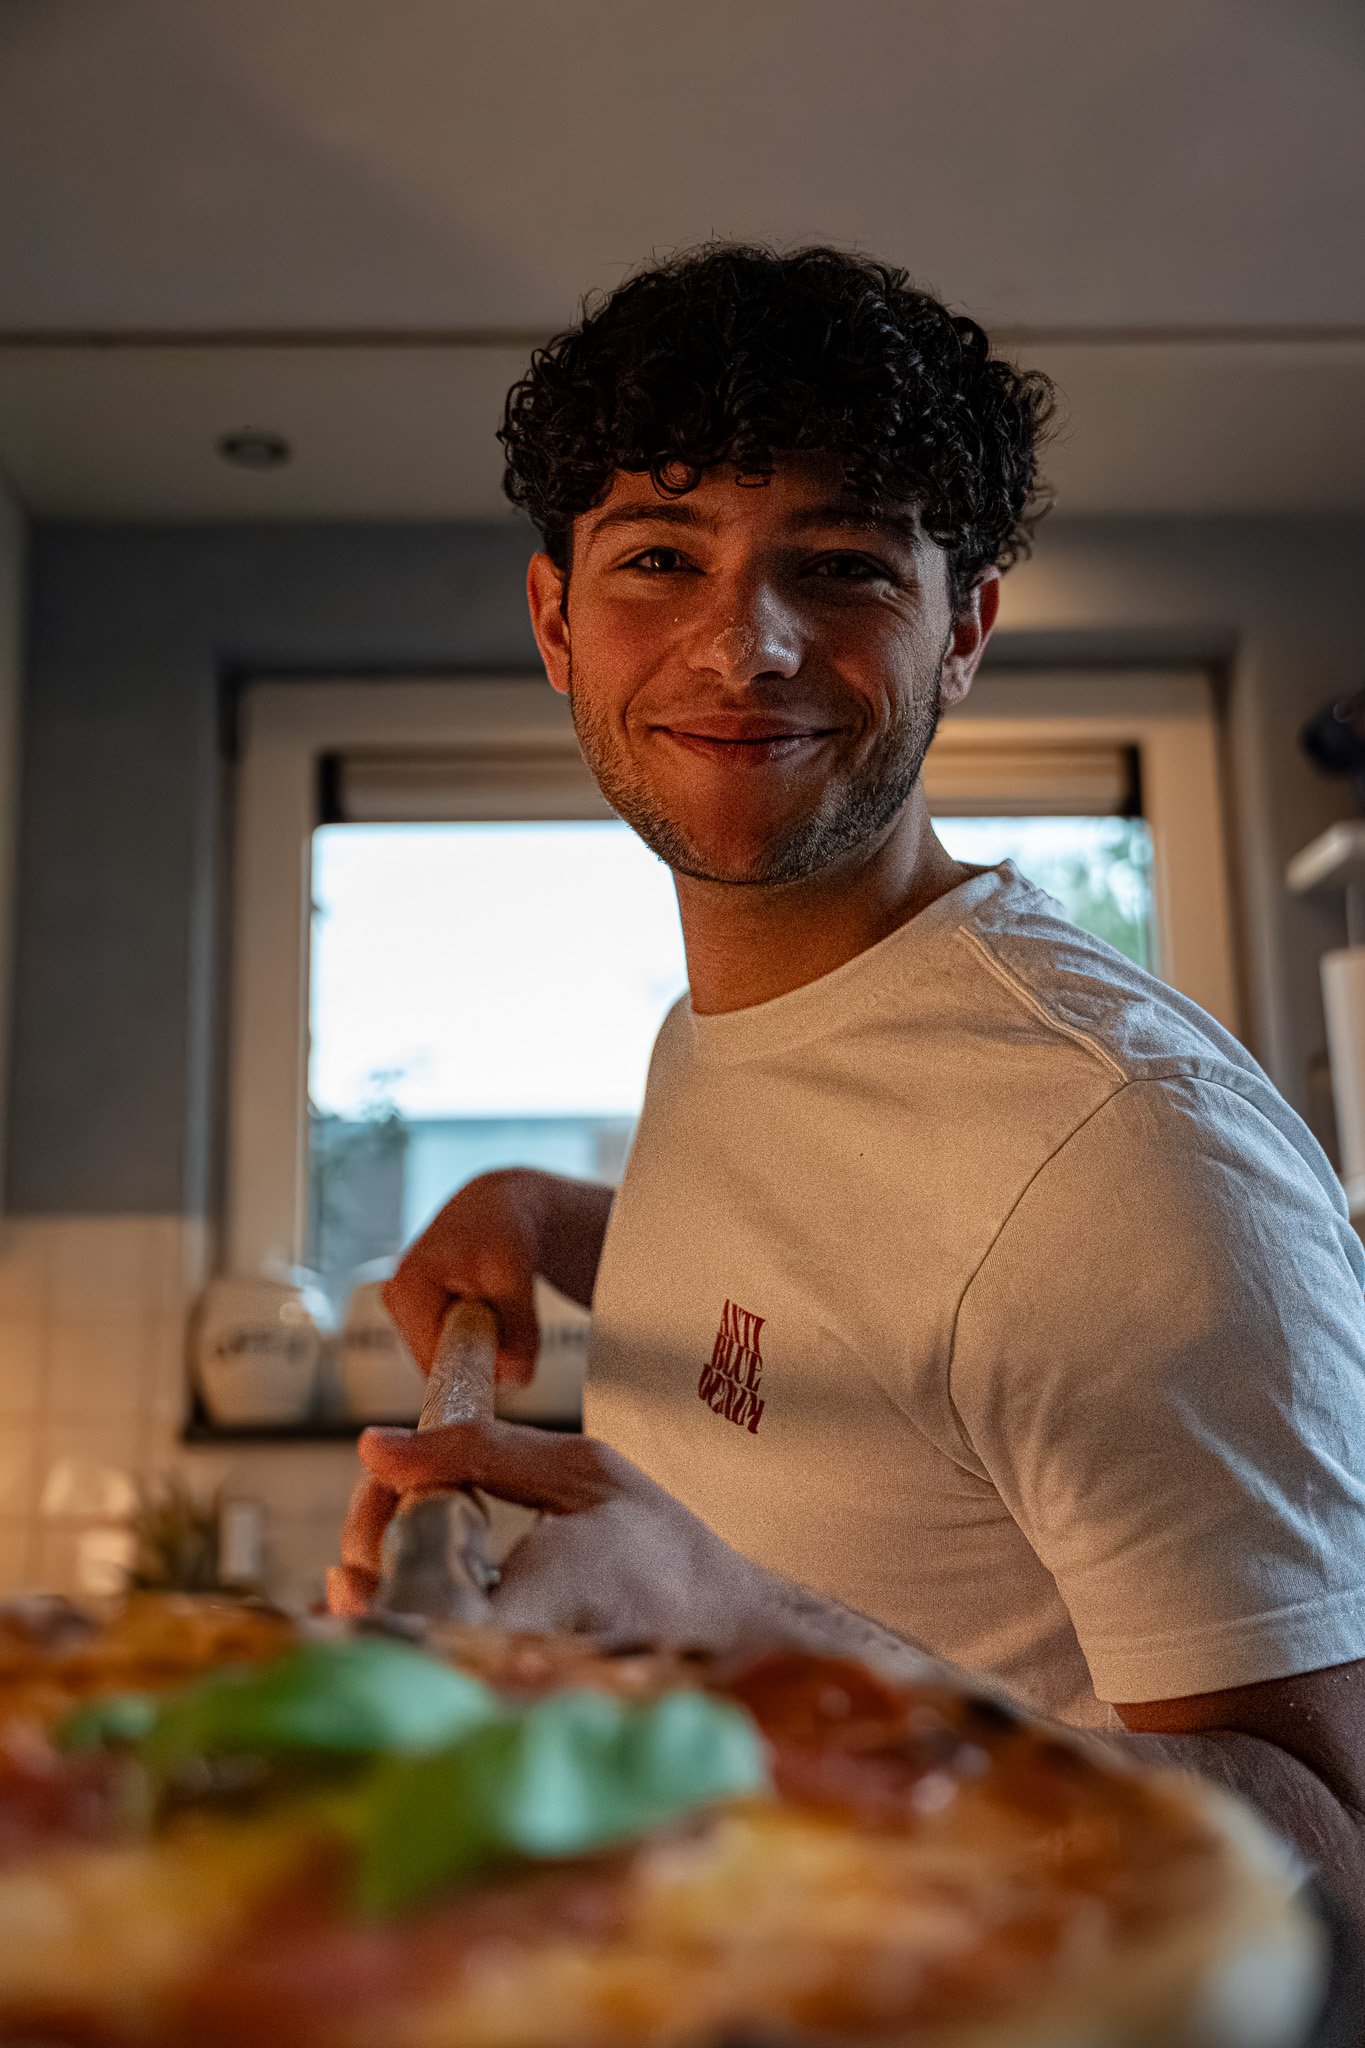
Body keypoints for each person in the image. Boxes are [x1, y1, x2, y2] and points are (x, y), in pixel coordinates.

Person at [330, 243, 1365, 1906]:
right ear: (556, 626)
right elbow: (875, 1276)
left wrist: (749, 1640)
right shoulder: (739, 1030)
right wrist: (542, 1213)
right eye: (659, 558)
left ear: (961, 630)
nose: (741, 647)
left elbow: (1333, 1869)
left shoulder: (1126, 1152)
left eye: (840, 567)